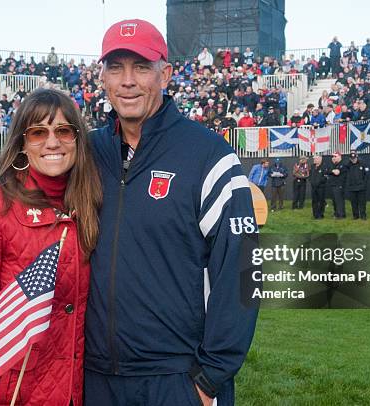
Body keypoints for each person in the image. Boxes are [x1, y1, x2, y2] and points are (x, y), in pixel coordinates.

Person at [85, 19, 259, 406]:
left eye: (141, 67)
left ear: (165, 74)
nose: (127, 80)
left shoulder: (209, 155)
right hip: (94, 378)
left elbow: (244, 269)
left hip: (178, 378)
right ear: (102, 78)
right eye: (116, 67)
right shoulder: (86, 153)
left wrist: (211, 376)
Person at [0, 89, 102, 406]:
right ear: (22, 144)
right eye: (38, 132)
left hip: (80, 389)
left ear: (77, 140)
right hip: (13, 391)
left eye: (64, 130)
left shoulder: (90, 204)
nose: (52, 142)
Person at [344, 151, 369, 220]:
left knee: (362, 203)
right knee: (353, 203)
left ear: (357, 157)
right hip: (352, 187)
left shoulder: (363, 163)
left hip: (361, 187)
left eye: (354, 158)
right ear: (350, 159)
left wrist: (364, 184)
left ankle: (363, 215)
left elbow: (367, 175)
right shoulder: (348, 165)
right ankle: (355, 216)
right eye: (352, 159)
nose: (353, 160)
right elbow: (344, 172)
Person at [327, 151, 346, 219]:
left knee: (339, 200)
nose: (333, 158)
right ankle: (336, 213)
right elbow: (327, 171)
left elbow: (337, 172)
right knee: (334, 200)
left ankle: (341, 215)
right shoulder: (333, 164)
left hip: (339, 185)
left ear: (339, 156)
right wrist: (332, 171)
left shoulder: (343, 164)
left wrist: (332, 171)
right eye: (333, 157)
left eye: (335, 156)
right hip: (333, 184)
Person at [310, 155, 327, 219]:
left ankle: (320, 214)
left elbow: (325, 177)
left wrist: (318, 183)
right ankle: (315, 214)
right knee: (314, 201)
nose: (314, 160)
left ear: (320, 159)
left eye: (316, 159)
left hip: (321, 187)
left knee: (321, 201)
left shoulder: (324, 166)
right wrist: (311, 181)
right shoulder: (312, 166)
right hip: (313, 187)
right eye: (314, 159)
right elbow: (310, 175)